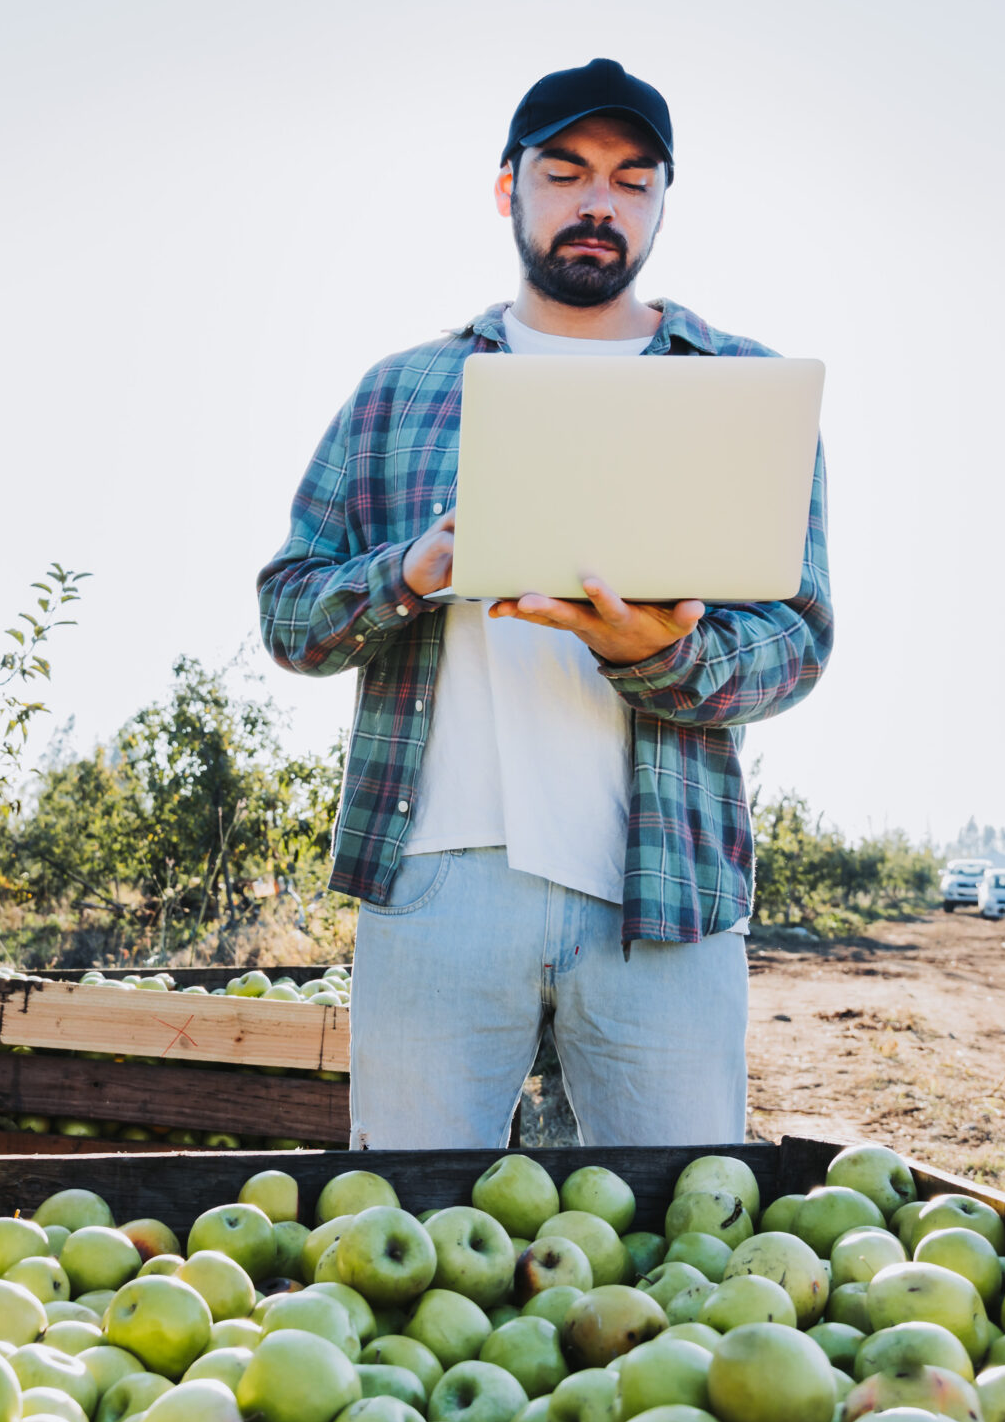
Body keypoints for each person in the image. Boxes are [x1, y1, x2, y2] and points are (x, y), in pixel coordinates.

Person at [256, 58, 834, 1149]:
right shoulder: (400, 390)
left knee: (684, 1240)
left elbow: (795, 644)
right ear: (506, 186)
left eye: (630, 178)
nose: (596, 202)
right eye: (565, 171)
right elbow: (289, 614)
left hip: (663, 890)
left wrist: (663, 653)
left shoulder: (739, 388)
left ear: (662, 200)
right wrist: (410, 573)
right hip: (435, 878)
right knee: (412, 1243)